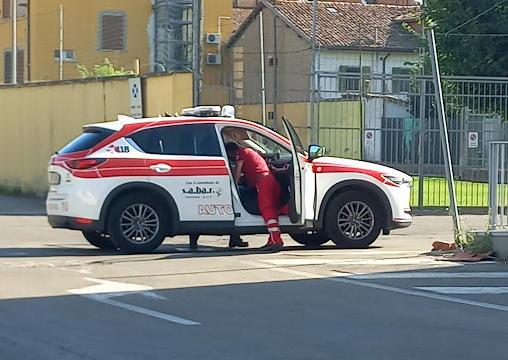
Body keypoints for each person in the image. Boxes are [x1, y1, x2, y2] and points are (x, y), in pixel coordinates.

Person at [225, 142, 285, 251]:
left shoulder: (241, 153)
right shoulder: (249, 151)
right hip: (268, 180)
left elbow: (238, 172)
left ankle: (276, 239)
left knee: (266, 209)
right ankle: (272, 239)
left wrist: (233, 186)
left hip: (262, 181)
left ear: (231, 152)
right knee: (271, 209)